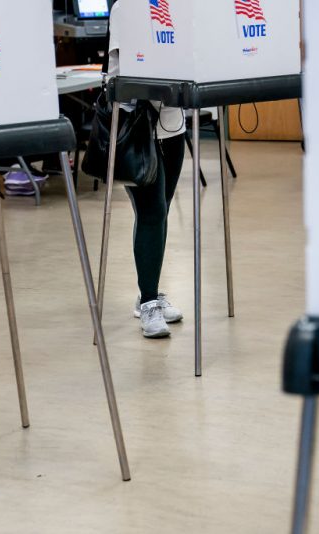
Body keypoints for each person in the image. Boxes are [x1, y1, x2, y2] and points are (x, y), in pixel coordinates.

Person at [108, 0, 186, 338]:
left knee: (161, 211)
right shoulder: (126, 7)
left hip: (173, 127)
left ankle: (147, 291)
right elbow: (116, 75)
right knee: (151, 212)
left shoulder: (181, 8)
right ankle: (150, 303)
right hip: (137, 130)